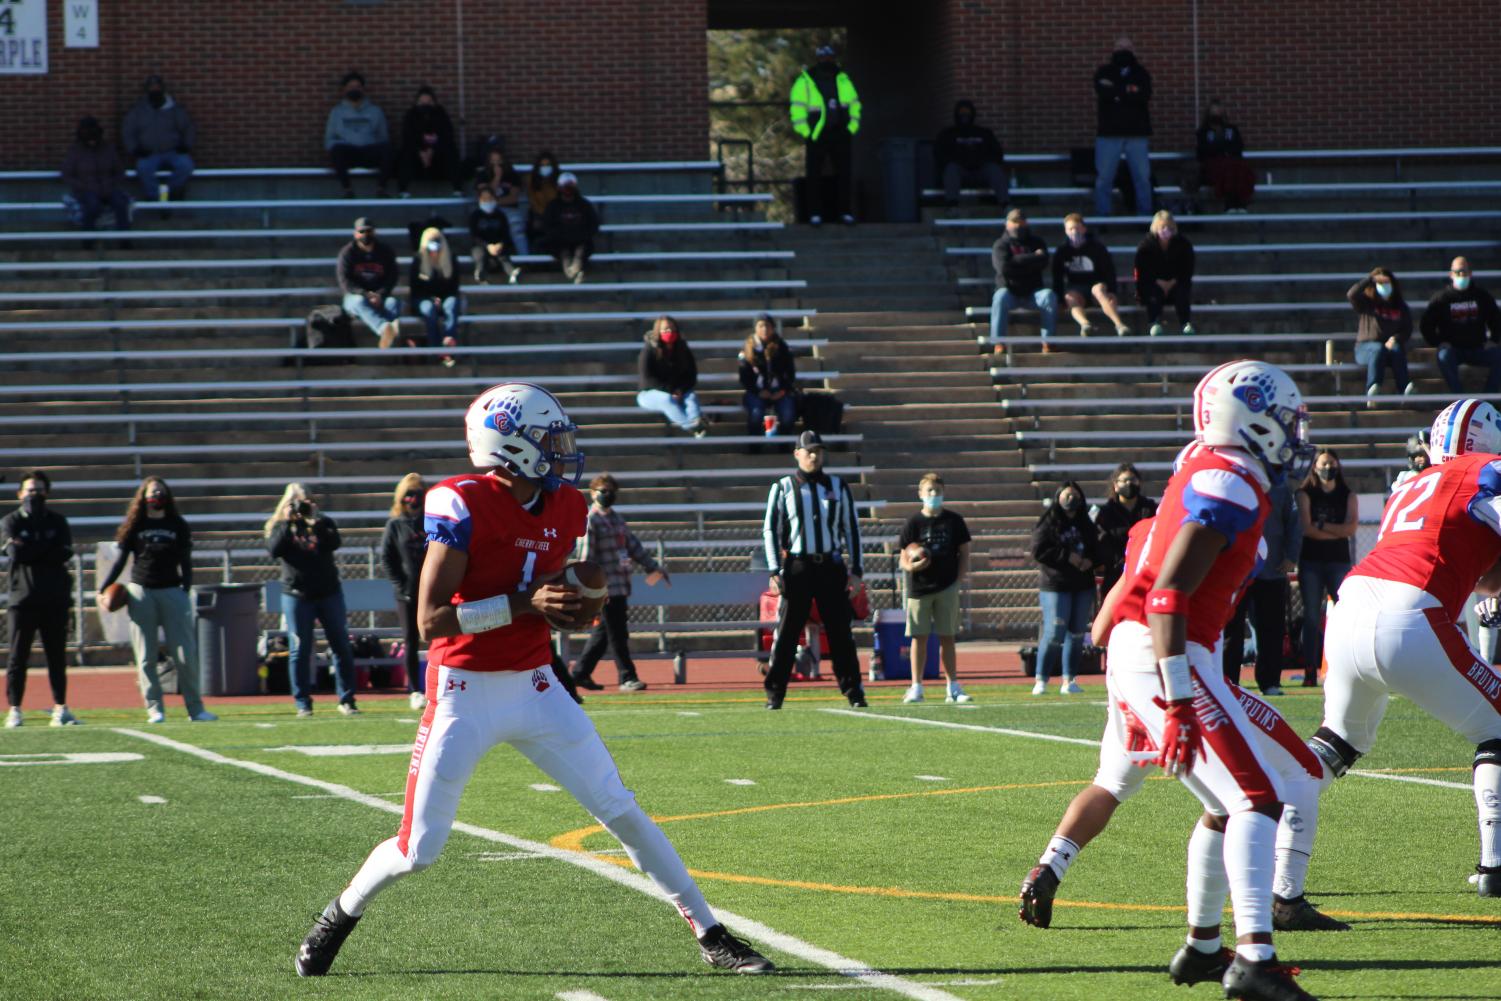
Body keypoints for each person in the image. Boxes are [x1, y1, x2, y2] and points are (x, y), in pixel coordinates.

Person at [293, 382, 773, 978]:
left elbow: (551, 590)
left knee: (621, 810)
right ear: (509, 445)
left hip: (535, 685)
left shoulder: (568, 506)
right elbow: (430, 620)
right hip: (462, 691)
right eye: (549, 438)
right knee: (419, 849)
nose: (562, 449)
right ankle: (337, 916)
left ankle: (711, 934)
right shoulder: (459, 501)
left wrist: (576, 603)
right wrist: (525, 603)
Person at [1022, 361, 1325, 999]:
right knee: (1258, 799)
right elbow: (1165, 599)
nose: (1295, 432)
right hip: (1171, 651)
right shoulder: (1231, 478)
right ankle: (1254, 960)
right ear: (1249, 420)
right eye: (1284, 419)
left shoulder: (1213, 467)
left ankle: (1202, 948)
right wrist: (1182, 701)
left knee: (1225, 803)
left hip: (1172, 652)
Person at [1317, 399, 1501, 901]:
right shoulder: (1487, 470)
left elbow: (1478, 569)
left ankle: (1279, 873)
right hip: (1410, 615)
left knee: (1336, 743)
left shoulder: (1412, 483)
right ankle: (1496, 865)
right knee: (1497, 729)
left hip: (1349, 609)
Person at [762, 431, 866, 710]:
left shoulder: (837, 486)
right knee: (786, 632)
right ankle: (775, 693)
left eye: (818, 451)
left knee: (840, 633)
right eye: (808, 451)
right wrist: (774, 570)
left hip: (831, 566)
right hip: (797, 566)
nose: (813, 455)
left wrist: (856, 570)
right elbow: (771, 529)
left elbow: (851, 529)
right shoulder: (783, 487)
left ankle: (854, 691)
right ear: (797, 453)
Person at [99, 477, 216, 724]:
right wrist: (102, 588)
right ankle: (154, 708)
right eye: (153, 492)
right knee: (146, 655)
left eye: (161, 492)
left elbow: (186, 560)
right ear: (143, 497)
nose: (157, 496)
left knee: (185, 654)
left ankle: (195, 709)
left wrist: (185, 588)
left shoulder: (177, 524)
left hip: (172, 590)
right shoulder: (136, 524)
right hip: (141, 592)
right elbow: (120, 561)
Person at [265, 484, 359, 718]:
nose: (301, 506)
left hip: (328, 592)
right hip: (296, 595)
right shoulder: (279, 525)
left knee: (340, 645)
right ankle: (302, 702)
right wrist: (287, 521)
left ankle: (346, 699)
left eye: (305, 501)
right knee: (299, 649)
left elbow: (334, 543)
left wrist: (315, 520)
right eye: (296, 501)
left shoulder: (322, 522)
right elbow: (274, 550)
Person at [573, 474, 668, 693]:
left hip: (620, 586)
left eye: (611, 490)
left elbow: (633, 547)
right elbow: (587, 558)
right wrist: (589, 587)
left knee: (605, 634)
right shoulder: (591, 520)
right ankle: (628, 677)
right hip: (605, 588)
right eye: (603, 490)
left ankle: (580, 673)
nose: (607, 495)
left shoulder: (616, 518)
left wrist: (653, 566)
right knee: (617, 635)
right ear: (593, 492)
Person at [2, 472, 77, 729]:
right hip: (22, 600)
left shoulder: (58, 521)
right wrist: (45, 549)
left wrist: (31, 548)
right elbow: (16, 553)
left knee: (56, 656)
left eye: (39, 490)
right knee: (17, 657)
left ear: (47, 492)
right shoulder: (10, 521)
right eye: (30, 490)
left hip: (54, 598)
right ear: (20, 494)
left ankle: (61, 706)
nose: (34, 495)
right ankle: (15, 709)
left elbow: (64, 553)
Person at [897, 473, 973, 705]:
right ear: (920, 494)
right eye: (929, 491)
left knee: (947, 637)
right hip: (919, 588)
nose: (933, 495)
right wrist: (914, 564)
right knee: (919, 638)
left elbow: (965, 553)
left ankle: (952, 687)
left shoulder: (954, 521)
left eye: (937, 491)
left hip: (946, 586)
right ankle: (916, 686)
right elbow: (903, 559)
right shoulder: (913, 523)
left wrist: (958, 579)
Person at [1222, 475, 1302, 694]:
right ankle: (1229, 681)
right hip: (1237, 572)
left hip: (1272, 569)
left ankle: (1270, 682)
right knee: (1232, 629)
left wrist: (1291, 555)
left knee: (1272, 629)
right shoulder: (1231, 482)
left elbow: (1294, 521)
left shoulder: (1280, 486)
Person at [1030, 480, 1099, 696]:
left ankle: (1069, 679)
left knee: (1077, 633)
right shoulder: (1049, 522)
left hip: (1082, 585)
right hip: (1056, 586)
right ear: (1058, 498)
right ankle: (1041, 679)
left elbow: (1097, 547)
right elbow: (1039, 550)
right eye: (1066, 495)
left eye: (1074, 495)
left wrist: (1090, 560)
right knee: (1054, 632)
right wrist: (1067, 557)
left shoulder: (1085, 523)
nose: (1070, 499)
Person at [1296, 449, 1357, 687]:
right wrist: (1334, 530)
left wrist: (1321, 525)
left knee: (1344, 616)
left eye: (1332, 462)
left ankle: (1346, 669)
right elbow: (1307, 528)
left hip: (1339, 561)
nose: (1328, 467)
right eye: (1324, 463)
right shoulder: (1305, 493)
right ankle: (1310, 670)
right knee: (1311, 616)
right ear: (1314, 467)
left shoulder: (1347, 494)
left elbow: (1350, 529)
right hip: (1311, 561)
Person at [789, 43, 860, 225]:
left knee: (844, 174)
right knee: (814, 175)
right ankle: (815, 214)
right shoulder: (805, 81)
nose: (826, 60)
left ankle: (845, 212)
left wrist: (851, 128)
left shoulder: (843, 79)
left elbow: (854, 104)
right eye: (822, 57)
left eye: (829, 57)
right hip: (817, 134)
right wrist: (806, 131)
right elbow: (797, 109)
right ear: (817, 58)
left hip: (840, 133)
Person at [380, 473, 429, 712]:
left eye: (418, 494)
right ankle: (415, 690)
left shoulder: (432, 520)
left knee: (442, 636)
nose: (413, 499)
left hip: (433, 590)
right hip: (407, 594)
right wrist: (402, 586)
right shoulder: (395, 525)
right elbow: (387, 559)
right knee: (411, 640)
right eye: (409, 494)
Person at [1420, 256, 1501, 394]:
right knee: (1444, 356)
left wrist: (1493, 340)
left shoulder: (1481, 296)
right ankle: (1459, 396)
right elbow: (1426, 325)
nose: (1461, 275)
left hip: (1478, 348)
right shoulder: (1441, 298)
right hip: (1453, 350)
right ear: (1451, 274)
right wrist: (1439, 342)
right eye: (1458, 272)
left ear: (1470, 273)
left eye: (1464, 271)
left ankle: (1489, 398)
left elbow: (1496, 319)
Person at [1093, 36, 1154, 217]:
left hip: (1136, 134)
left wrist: (1117, 92)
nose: (1123, 50)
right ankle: (1102, 215)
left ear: (1133, 50)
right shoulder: (1103, 72)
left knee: (1142, 178)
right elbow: (1103, 92)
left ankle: (1145, 215)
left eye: (1127, 47)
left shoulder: (1141, 73)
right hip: (1108, 134)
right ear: (1113, 49)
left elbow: (1143, 95)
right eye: (1119, 47)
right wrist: (1128, 90)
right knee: (1104, 178)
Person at [1053, 213, 1131, 337]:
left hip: (1097, 285)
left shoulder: (1097, 247)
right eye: (1070, 229)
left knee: (1098, 290)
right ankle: (1085, 324)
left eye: (1077, 228)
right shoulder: (1062, 251)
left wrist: (1111, 290)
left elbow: (1109, 271)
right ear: (1066, 231)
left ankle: (1119, 325)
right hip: (1077, 288)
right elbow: (1057, 276)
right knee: (1069, 297)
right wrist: (1060, 300)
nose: (1074, 232)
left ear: (1084, 229)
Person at [989, 208, 1057, 350]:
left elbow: (1044, 261)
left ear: (1026, 223)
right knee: (1000, 297)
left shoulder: (1037, 242)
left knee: (1048, 296)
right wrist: (1032, 258)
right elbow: (1004, 268)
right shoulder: (1000, 245)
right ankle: (998, 342)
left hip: (1033, 292)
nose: (1018, 226)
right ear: (1007, 224)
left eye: (1021, 222)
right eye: (1014, 222)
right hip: (1010, 291)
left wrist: (1015, 262)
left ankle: (1048, 341)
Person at [122, 74, 195, 201]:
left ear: (163, 89)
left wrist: (186, 145)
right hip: (149, 153)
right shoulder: (138, 111)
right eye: (151, 88)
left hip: (173, 151)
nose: (154, 91)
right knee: (143, 168)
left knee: (186, 165)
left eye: (157, 87)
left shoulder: (175, 110)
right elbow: (127, 131)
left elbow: (188, 128)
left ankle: (171, 193)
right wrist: (134, 149)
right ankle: (157, 198)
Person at [1092, 462, 1157, 598]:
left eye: (1132, 480)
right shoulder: (1105, 512)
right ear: (1115, 485)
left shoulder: (1151, 509)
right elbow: (1101, 541)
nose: (1129, 484)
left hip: (1144, 570)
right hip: (1115, 573)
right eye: (1124, 481)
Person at [1348, 266, 1414, 400]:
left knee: (1396, 348)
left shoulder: (1400, 306)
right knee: (1377, 349)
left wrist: (1396, 338)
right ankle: (1373, 388)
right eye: (1381, 283)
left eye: (1387, 282)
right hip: (1365, 349)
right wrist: (1370, 279)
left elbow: (1407, 329)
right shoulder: (1366, 303)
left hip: (1389, 349)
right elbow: (1352, 294)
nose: (1384, 285)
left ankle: (1404, 389)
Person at [61, 116, 131, 240]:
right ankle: (88, 239)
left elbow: (120, 171)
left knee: (121, 204)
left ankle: (125, 240)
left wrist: (111, 184)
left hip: (109, 188)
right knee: (93, 206)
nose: (92, 141)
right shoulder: (75, 151)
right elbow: (67, 174)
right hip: (86, 190)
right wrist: (82, 186)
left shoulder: (109, 149)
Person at [325, 71, 393, 198]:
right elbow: (329, 140)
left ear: (363, 89)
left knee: (388, 149)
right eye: (351, 87)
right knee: (336, 150)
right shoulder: (336, 112)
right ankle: (347, 190)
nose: (354, 89)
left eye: (357, 87)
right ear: (344, 89)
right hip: (349, 153)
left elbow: (383, 137)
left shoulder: (375, 111)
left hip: (369, 152)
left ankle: (381, 189)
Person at [337, 217, 402, 349]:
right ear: (355, 234)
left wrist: (380, 294)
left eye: (369, 231)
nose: (365, 234)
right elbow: (345, 282)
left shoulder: (385, 251)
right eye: (362, 231)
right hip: (355, 297)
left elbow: (392, 277)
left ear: (374, 232)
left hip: (380, 297)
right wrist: (365, 294)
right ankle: (384, 329)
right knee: (358, 301)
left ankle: (390, 344)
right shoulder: (347, 253)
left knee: (393, 303)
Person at [637, 316, 706, 437]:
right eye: (665, 330)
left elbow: (691, 375)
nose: (669, 332)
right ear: (658, 331)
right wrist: (669, 391)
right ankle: (692, 427)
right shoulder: (649, 349)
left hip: (678, 391)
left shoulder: (682, 348)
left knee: (691, 397)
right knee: (667, 400)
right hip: (650, 393)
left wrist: (680, 390)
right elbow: (647, 378)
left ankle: (696, 420)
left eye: (672, 329)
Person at [933, 99, 1006, 206]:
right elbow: (939, 154)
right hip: (960, 172)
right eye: (961, 113)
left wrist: (980, 162)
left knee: (994, 170)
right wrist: (960, 161)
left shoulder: (984, 133)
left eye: (967, 113)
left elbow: (997, 154)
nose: (964, 116)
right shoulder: (947, 134)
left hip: (981, 171)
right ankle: (952, 206)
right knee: (951, 169)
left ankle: (1006, 205)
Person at [1134, 210, 1196, 337]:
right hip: (1154, 283)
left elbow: (1188, 267)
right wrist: (1158, 281)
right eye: (1162, 227)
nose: (1166, 230)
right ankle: (1154, 322)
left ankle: (1185, 323)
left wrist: (1174, 280)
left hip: (1176, 282)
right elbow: (1142, 269)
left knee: (1181, 293)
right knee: (1153, 293)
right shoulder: (1146, 246)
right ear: (1155, 227)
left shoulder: (1183, 244)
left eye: (1169, 227)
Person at [395, 85, 463, 197]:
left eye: (429, 101)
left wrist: (432, 151)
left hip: (438, 160)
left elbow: (447, 137)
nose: (425, 105)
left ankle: (457, 189)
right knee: (405, 154)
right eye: (422, 102)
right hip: (417, 160)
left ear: (434, 103)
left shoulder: (441, 115)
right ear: (417, 103)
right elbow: (408, 138)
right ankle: (403, 191)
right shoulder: (411, 115)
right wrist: (421, 152)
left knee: (451, 151)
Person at [738, 314, 798, 437]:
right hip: (756, 391)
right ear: (755, 328)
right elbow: (744, 377)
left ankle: (784, 445)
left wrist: (782, 391)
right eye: (761, 325)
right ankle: (755, 446)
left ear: (773, 328)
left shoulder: (781, 347)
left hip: (779, 390)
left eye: (768, 326)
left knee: (788, 413)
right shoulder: (748, 348)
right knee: (756, 413)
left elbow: (790, 373)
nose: (764, 329)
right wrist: (758, 392)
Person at [409, 225, 461, 363]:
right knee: (429, 309)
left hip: (445, 297)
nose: (434, 251)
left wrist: (440, 298)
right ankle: (435, 349)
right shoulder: (418, 260)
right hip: (423, 298)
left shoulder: (451, 258)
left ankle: (449, 341)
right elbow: (415, 288)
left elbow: (454, 286)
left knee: (452, 304)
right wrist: (432, 298)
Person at [1195, 99, 1255, 211]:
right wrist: (1220, 148)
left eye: (1219, 112)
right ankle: (1230, 203)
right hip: (1214, 164)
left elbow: (1238, 146)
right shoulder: (1203, 132)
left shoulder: (1231, 129)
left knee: (1240, 168)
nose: (1217, 115)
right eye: (1214, 112)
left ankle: (1241, 203)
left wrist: (1224, 149)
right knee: (1227, 169)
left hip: (1232, 161)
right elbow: (1202, 151)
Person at [541, 172, 599, 283]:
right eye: (564, 186)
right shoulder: (553, 206)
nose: (567, 189)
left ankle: (579, 268)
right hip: (560, 242)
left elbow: (593, 225)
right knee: (559, 249)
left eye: (570, 186)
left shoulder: (584, 205)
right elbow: (547, 226)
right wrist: (562, 236)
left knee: (583, 249)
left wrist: (580, 236)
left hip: (581, 241)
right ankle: (570, 268)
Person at [474, 146, 528, 253]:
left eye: (499, 160)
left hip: (509, 209)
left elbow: (513, 198)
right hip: (488, 211)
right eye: (493, 161)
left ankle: (525, 258)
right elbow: (484, 194)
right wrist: (497, 178)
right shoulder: (483, 175)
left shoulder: (512, 175)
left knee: (517, 230)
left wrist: (493, 201)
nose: (496, 164)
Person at [468, 184, 520, 284]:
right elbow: (474, 236)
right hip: (481, 245)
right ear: (479, 199)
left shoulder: (500, 215)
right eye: (484, 198)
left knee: (503, 254)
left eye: (490, 198)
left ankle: (511, 273)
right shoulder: (475, 216)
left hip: (498, 245)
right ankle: (480, 275)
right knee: (480, 254)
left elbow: (505, 233)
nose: (487, 201)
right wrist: (487, 246)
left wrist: (500, 244)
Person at [526, 150, 561, 248]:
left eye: (548, 165)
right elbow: (533, 200)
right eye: (542, 165)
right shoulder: (532, 180)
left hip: (556, 214)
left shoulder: (558, 181)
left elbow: (559, 200)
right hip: (538, 214)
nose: (545, 168)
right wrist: (544, 214)